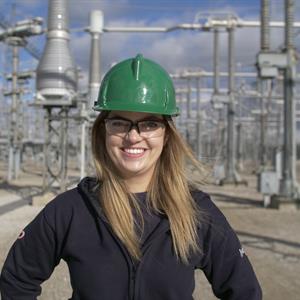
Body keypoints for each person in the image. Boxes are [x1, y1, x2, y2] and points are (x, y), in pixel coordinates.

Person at [0, 54, 262, 300]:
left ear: (166, 134)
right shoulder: (71, 210)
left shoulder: (196, 212)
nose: (133, 136)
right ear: (103, 131)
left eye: (149, 123)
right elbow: (17, 279)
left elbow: (244, 291)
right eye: (120, 122)